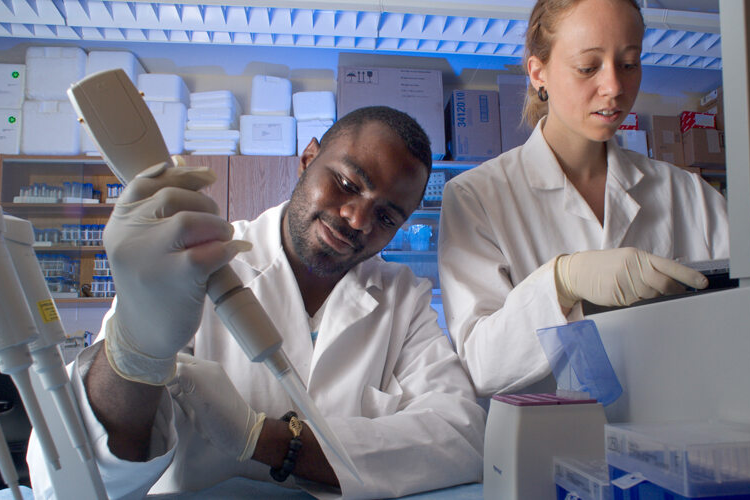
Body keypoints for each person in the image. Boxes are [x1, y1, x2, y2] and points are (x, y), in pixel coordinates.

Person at [28, 106, 485, 499]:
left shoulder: (401, 296)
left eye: (386, 216)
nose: (357, 219)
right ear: (308, 158)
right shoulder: (197, 261)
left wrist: (262, 438)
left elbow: (463, 437)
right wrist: (135, 349)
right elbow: (70, 479)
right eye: (347, 183)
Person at [438, 0, 730, 398]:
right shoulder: (477, 197)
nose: (614, 87)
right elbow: (481, 366)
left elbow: (746, 317)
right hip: (547, 447)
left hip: (675, 438)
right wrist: (560, 283)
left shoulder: (687, 193)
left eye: (629, 64)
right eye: (588, 67)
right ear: (538, 72)